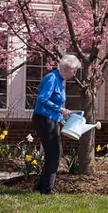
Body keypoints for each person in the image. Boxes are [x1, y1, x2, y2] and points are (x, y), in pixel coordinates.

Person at [32, 54, 81, 194]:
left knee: (53, 153)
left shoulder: (59, 80)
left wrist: (63, 115)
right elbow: (42, 99)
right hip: (43, 119)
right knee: (54, 153)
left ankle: (41, 186)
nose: (75, 73)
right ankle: (48, 189)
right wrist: (60, 109)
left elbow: (55, 102)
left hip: (51, 119)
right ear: (67, 68)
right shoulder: (52, 78)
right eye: (74, 70)